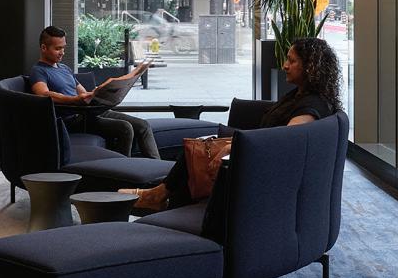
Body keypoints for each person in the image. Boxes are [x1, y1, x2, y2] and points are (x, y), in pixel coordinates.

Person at [131, 36, 342, 211]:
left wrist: (235, 146)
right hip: (259, 156)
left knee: (196, 155)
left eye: (292, 61)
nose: (285, 66)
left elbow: (287, 139)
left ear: (310, 67)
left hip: (265, 168)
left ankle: (159, 198)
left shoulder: (312, 105)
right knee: (195, 149)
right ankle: (164, 201)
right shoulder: (299, 94)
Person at [27, 24, 160, 159]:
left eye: (63, 48)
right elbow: (43, 94)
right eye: (57, 48)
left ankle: (159, 167)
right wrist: (74, 100)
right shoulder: (38, 71)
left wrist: (98, 94)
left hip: (89, 112)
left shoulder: (64, 68)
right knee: (125, 128)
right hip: (75, 120)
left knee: (143, 125)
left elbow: (83, 92)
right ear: (44, 48)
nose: (62, 52)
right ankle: (122, 168)